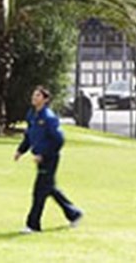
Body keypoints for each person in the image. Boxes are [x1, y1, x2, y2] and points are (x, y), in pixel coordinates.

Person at [14, 85, 84, 233]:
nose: (34, 98)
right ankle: (74, 214)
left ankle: (33, 225)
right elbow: (29, 135)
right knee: (49, 189)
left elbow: (58, 140)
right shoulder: (32, 115)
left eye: (38, 96)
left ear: (45, 100)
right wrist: (21, 150)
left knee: (39, 191)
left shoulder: (49, 117)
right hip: (39, 158)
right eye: (34, 95)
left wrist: (43, 155)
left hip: (49, 159)